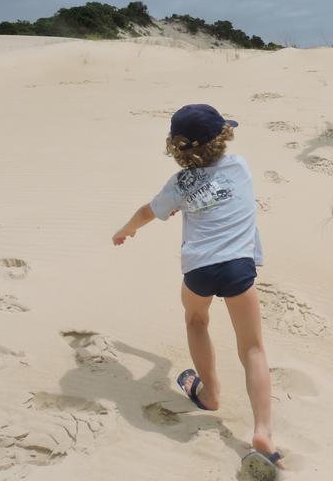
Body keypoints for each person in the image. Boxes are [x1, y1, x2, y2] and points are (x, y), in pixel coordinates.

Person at [111, 104, 284, 477]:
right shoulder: (240, 166)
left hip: (200, 270)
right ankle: (264, 433)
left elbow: (147, 211)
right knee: (252, 347)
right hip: (239, 268)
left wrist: (128, 229)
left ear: (176, 148)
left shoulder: (178, 187)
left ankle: (209, 393)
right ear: (222, 139)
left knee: (195, 319)